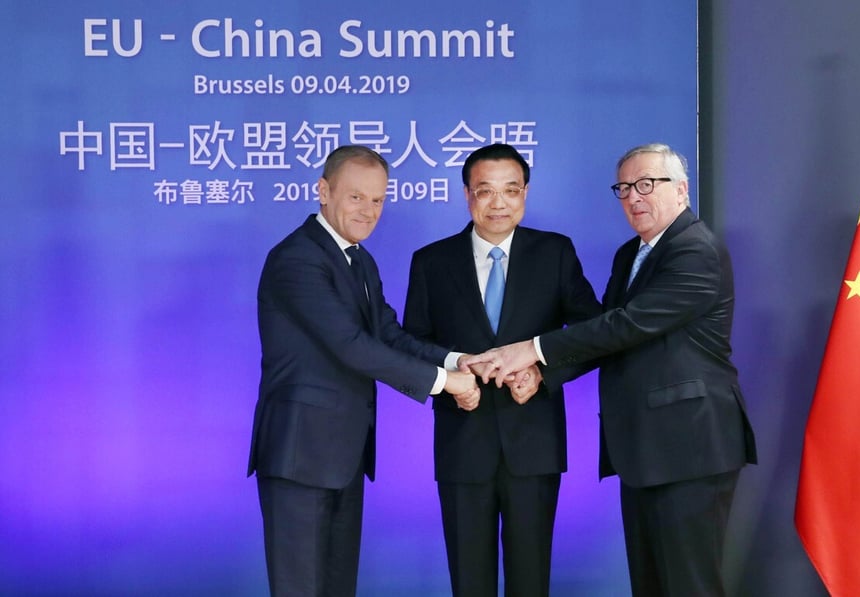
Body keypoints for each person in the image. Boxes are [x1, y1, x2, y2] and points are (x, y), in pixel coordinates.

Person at [464, 143, 757, 596]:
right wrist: (544, 374)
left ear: (681, 190)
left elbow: (628, 324)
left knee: (690, 586)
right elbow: (609, 336)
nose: (634, 197)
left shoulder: (695, 250)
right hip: (645, 450)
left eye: (646, 185)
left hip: (690, 446)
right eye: (624, 188)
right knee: (652, 584)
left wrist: (532, 350)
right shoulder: (632, 253)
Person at [247, 145, 480, 597]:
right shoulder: (297, 259)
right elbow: (351, 346)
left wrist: (455, 361)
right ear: (323, 191)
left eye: (377, 200)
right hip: (300, 455)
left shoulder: (358, 259)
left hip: (342, 455)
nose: (369, 211)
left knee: (337, 586)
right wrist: (444, 384)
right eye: (356, 197)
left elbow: (387, 333)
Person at [403, 143, 602, 597]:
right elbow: (411, 343)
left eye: (510, 190)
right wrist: (453, 376)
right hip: (461, 444)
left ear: (525, 194)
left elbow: (595, 332)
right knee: (469, 582)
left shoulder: (554, 253)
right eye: (485, 191)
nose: (498, 203)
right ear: (467, 196)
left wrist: (543, 374)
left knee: (530, 580)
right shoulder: (431, 261)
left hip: (533, 444)